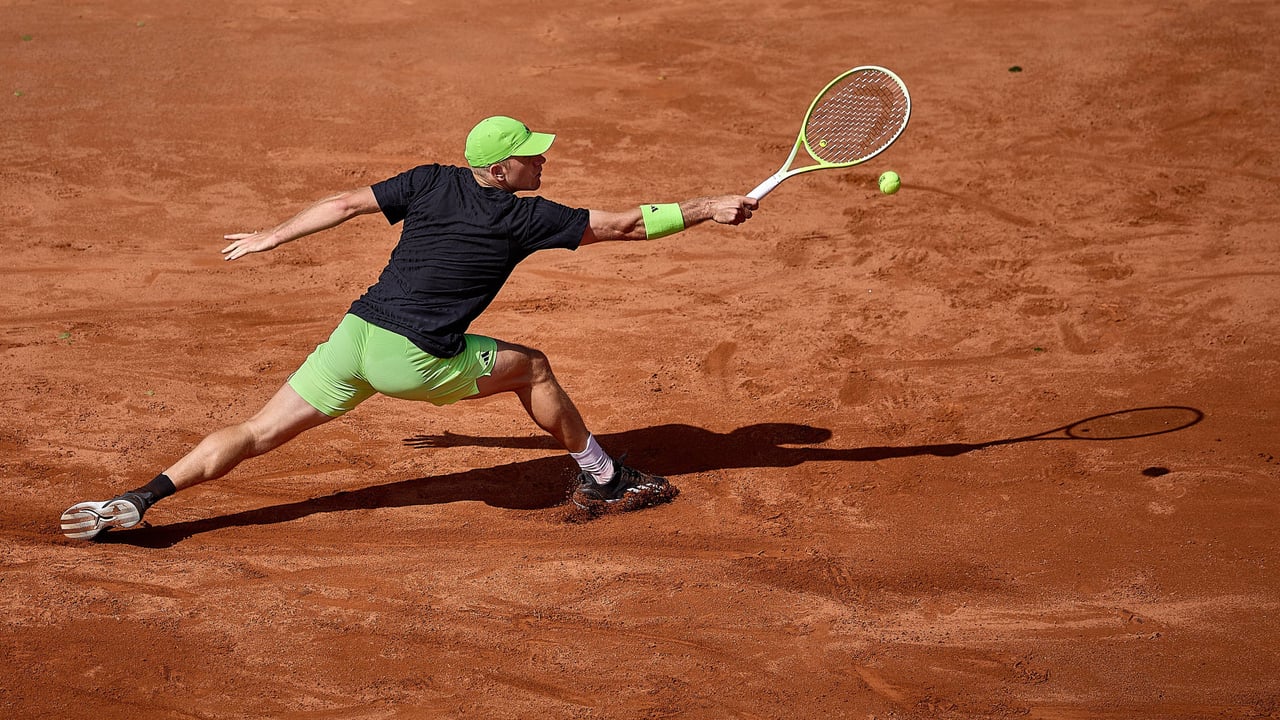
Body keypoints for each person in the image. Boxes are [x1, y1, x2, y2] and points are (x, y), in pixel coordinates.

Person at [60, 115, 758, 540]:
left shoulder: (429, 180)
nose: (542, 160)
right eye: (530, 155)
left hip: (354, 337)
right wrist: (708, 208)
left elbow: (342, 204)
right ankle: (604, 477)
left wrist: (272, 236)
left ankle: (136, 499)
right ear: (498, 168)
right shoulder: (525, 216)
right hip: (413, 358)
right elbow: (627, 225)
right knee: (533, 365)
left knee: (255, 432)